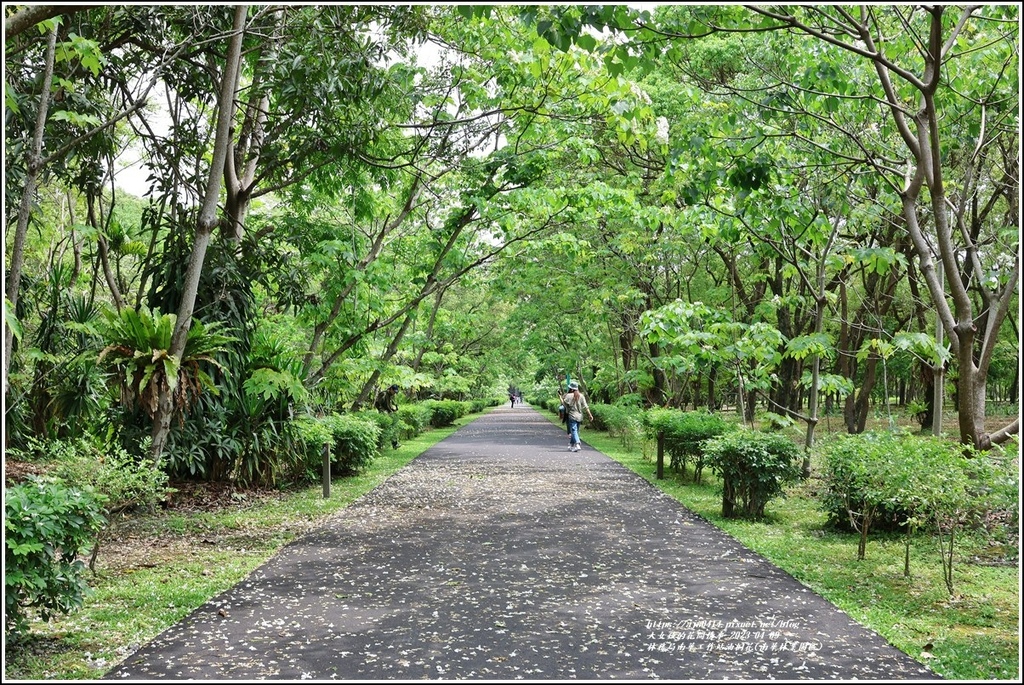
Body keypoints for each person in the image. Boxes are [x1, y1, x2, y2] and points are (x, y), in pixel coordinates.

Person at [561, 381, 593, 452]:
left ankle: (577, 444)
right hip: (579, 416)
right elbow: (586, 407)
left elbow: (564, 404)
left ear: (571, 389)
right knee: (575, 430)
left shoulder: (568, 396)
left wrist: (561, 398)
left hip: (572, 416)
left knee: (573, 430)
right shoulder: (581, 396)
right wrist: (590, 415)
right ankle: (571, 445)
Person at [374, 384, 401, 449]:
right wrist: (382, 411)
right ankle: (382, 445)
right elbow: (377, 403)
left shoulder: (390, 396)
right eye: (394, 391)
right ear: (391, 389)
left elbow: (388, 406)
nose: (394, 393)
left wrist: (393, 409)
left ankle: (395, 443)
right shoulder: (384, 394)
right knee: (386, 429)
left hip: (388, 414)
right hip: (383, 415)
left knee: (393, 428)